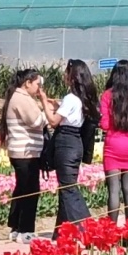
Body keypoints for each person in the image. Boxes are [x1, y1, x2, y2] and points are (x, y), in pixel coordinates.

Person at [37, 59, 99, 235]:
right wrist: (58, 106)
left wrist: (43, 100)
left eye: (66, 72)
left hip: (66, 144)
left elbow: (53, 121)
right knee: (65, 187)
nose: (64, 75)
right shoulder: (80, 98)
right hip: (75, 143)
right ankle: (61, 232)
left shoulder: (71, 98)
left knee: (68, 188)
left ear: (72, 76)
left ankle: (87, 228)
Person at [0, 69, 45, 244]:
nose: (38, 88)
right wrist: (48, 115)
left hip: (21, 152)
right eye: (37, 85)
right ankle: (26, 230)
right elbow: (36, 122)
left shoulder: (17, 97)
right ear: (27, 83)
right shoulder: (22, 98)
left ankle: (16, 227)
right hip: (26, 153)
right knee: (30, 191)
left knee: (22, 189)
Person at [101, 60, 128, 224]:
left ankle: (111, 230)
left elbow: (104, 124)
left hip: (114, 143)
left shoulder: (107, 95)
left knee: (113, 190)